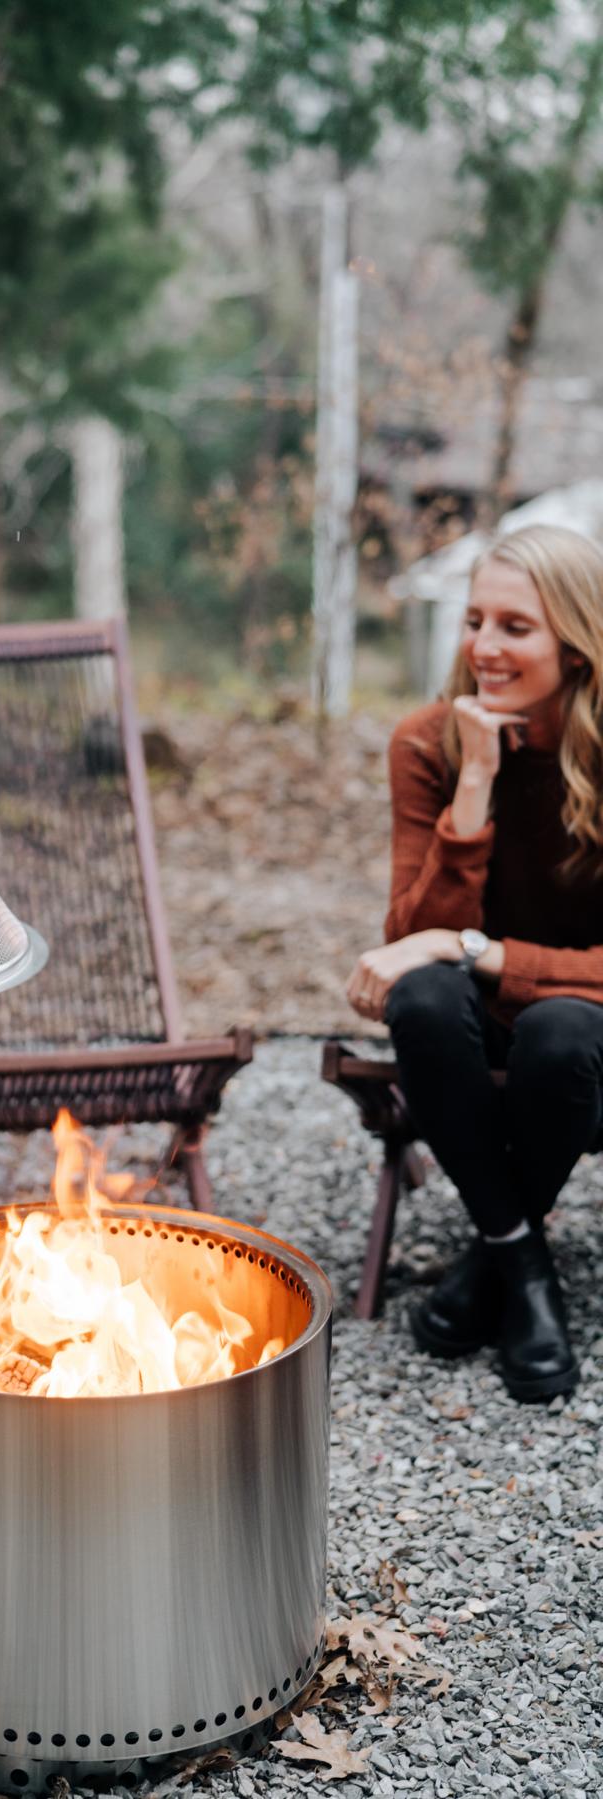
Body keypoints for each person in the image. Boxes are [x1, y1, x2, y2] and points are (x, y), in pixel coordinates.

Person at [345, 522, 603, 1403]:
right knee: (420, 997)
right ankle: (524, 1269)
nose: (484, 647)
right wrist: (475, 784)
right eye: (474, 621)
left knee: (564, 1028)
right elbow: (411, 936)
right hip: (467, 1042)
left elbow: (445, 941)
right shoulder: (428, 742)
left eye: (515, 627)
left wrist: (473, 949)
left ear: (577, 644)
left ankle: (486, 1270)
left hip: (584, 1047)